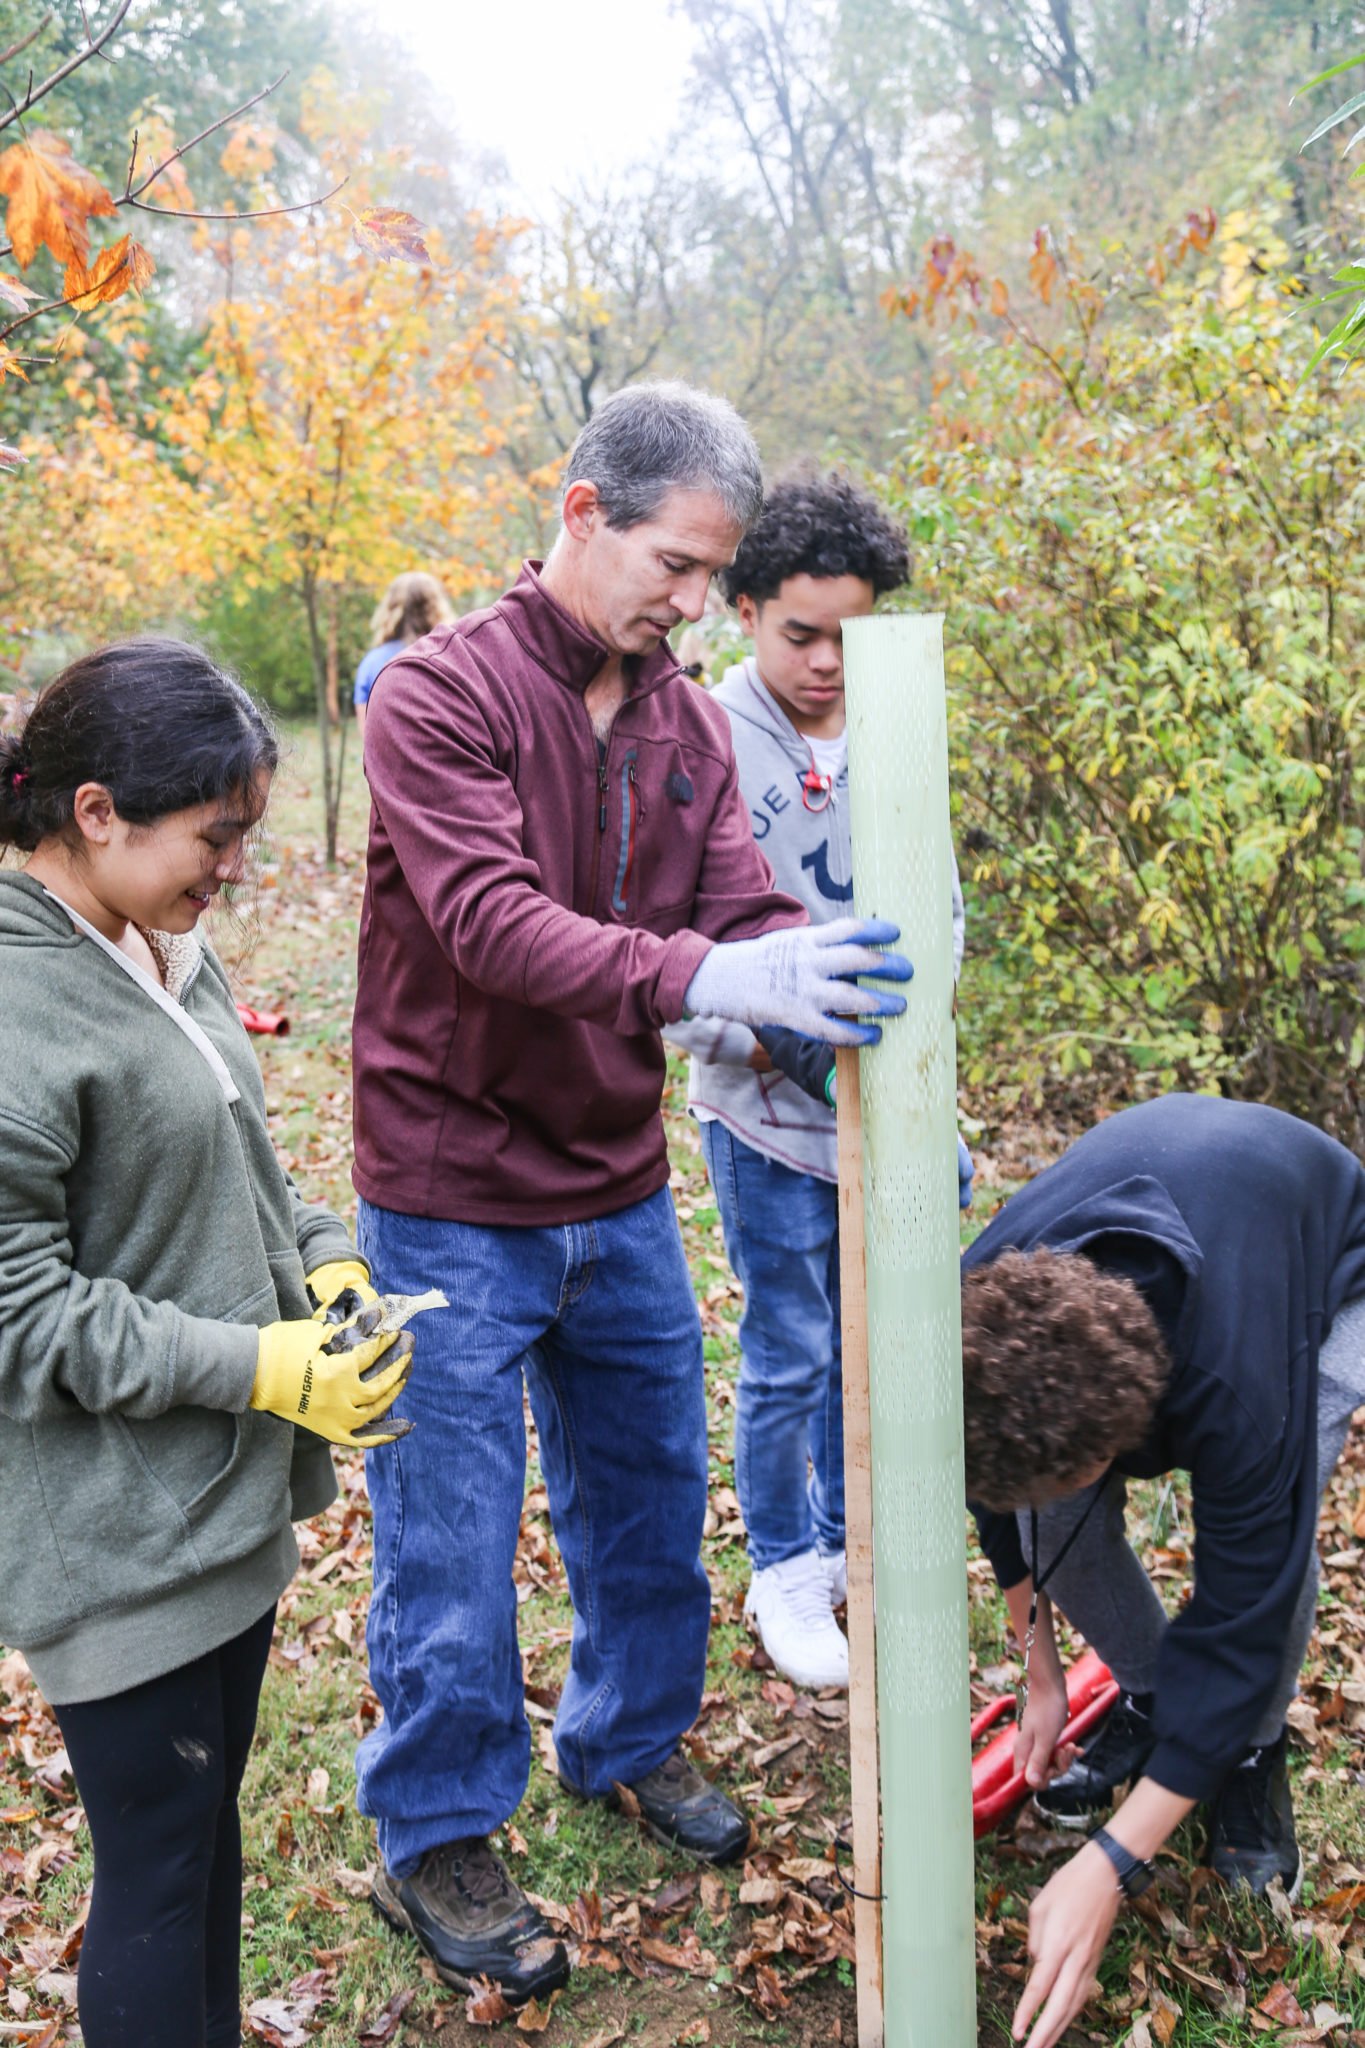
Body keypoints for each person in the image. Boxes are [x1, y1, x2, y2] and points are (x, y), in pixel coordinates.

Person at [351, 382, 913, 2004]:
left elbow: (735, 897)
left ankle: (626, 1735)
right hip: (450, 1186)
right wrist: (720, 974)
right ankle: (441, 1826)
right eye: (674, 562)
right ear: (583, 509)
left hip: (618, 1180)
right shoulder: (439, 696)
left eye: (707, 573)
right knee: (451, 1537)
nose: (689, 603)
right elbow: (493, 928)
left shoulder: (673, 720)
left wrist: (828, 1013)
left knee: (654, 1496)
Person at [0, 639, 412, 2048]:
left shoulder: (161, 939)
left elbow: (241, 1156)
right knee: (159, 1878)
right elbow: (20, 1314)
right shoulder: (13, 1004)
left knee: (202, 1840)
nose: (232, 866)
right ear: (97, 810)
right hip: (112, 1528)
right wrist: (261, 1367)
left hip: (216, 1495)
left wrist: (328, 1264)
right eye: (214, 836)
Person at [957, 1094, 1365, 2048]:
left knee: (1276, 1537)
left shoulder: (1238, 1392)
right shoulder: (980, 1306)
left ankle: (1250, 1757)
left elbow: (1240, 1620)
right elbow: (997, 1501)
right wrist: (1041, 1672)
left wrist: (1110, 1863)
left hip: (1328, 1265)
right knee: (1051, 1512)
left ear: (1125, 1445)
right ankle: (1145, 1701)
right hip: (1174, 1221)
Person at [666, 472, 965, 1690]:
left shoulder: (898, 718)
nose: (830, 662)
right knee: (790, 1342)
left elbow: (935, 894)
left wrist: (918, 1053)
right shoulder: (702, 735)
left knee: (881, 1333)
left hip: (895, 1102)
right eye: (801, 633)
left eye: (853, 633)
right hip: (766, 1114)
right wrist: (777, 1034)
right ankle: (785, 1562)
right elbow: (676, 954)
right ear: (742, 609)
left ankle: (856, 1547)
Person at [353, 571, 454, 747]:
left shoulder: (371, 664)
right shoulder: (452, 656)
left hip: (389, 771)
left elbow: (368, 740)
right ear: (436, 606)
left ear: (389, 608)